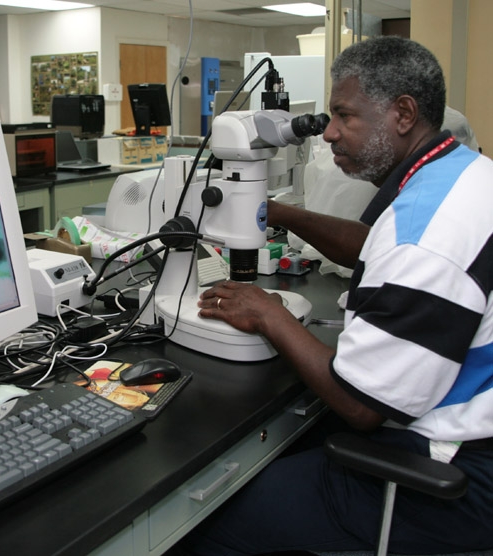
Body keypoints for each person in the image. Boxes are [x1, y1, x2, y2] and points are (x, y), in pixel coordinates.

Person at [177, 36, 493, 555]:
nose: (328, 132)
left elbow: (360, 406)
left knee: (207, 515)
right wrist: (275, 211)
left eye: (345, 116)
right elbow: (373, 248)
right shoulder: (460, 174)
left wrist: (272, 315)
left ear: (404, 113)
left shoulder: (424, 234)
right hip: (467, 428)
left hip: (448, 477)